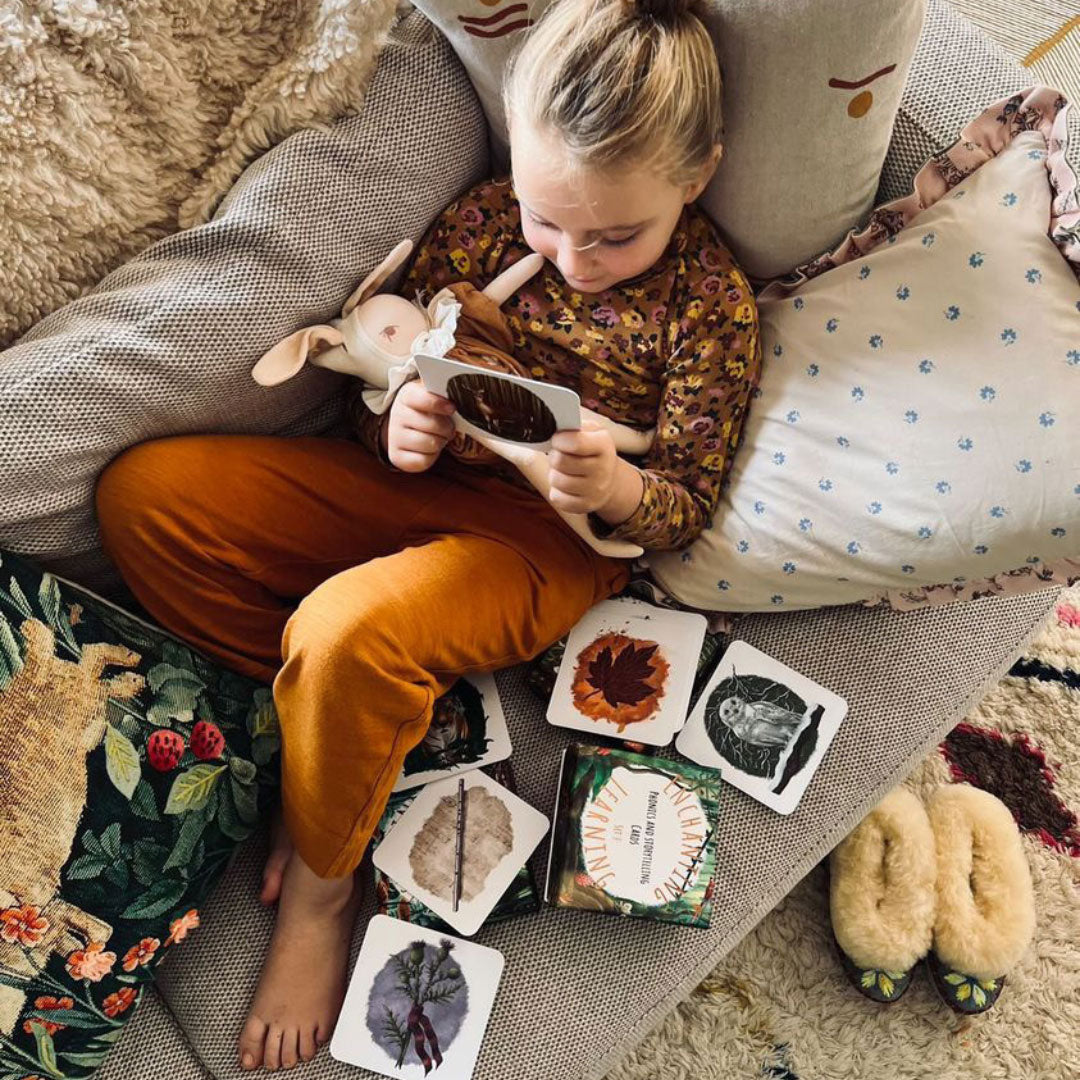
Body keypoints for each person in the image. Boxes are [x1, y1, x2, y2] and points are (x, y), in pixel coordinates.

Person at [94, 0, 761, 1069]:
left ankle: (322, 891)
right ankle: (332, 728)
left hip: (544, 546)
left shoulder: (710, 302)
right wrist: (398, 424)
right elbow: (391, 372)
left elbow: (687, 505)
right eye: (554, 219)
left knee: (350, 631)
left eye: (616, 235)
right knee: (146, 496)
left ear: (698, 175)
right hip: (406, 494)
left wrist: (618, 488)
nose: (575, 258)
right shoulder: (491, 219)